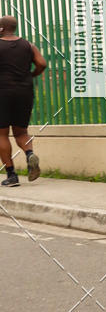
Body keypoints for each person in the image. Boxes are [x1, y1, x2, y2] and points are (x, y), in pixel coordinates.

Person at [0, 15, 45, 186]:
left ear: (1, 29)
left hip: (2, 92)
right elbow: (42, 63)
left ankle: (11, 175)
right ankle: (29, 154)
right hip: (24, 92)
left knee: (2, 134)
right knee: (21, 132)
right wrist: (32, 75)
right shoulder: (28, 45)